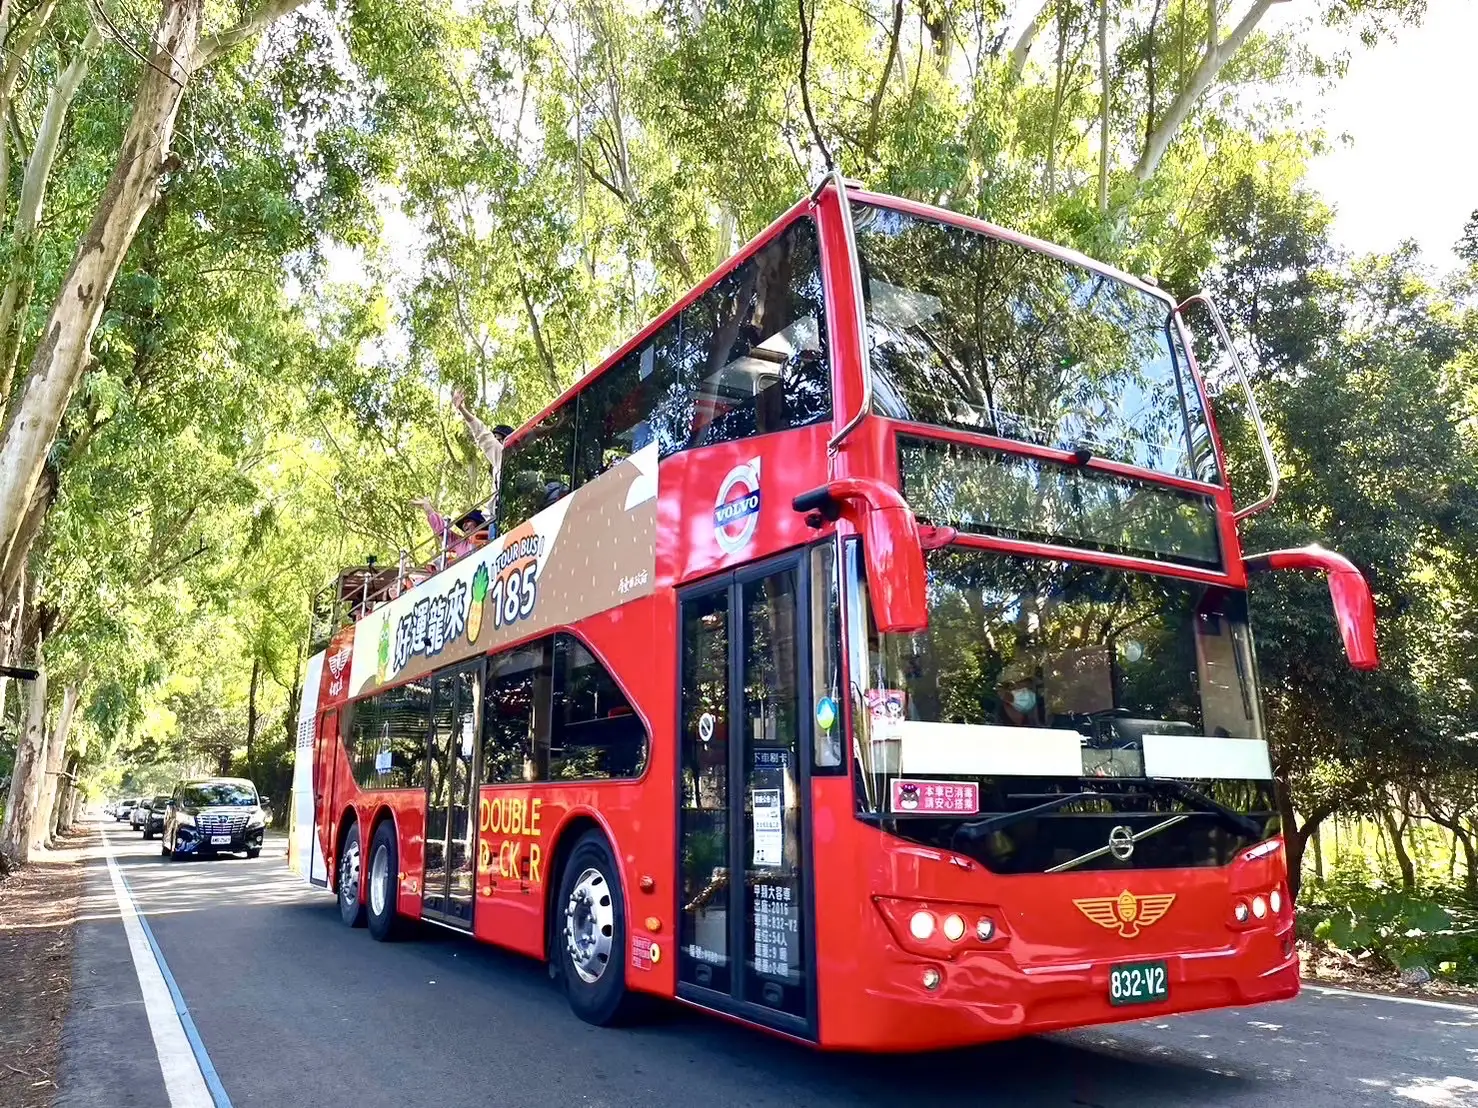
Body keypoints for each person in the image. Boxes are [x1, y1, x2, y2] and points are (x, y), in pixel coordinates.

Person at [994, 657, 1042, 727]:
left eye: (1029, 687)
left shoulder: (1041, 718)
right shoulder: (992, 724)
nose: (1026, 692)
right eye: (1020, 686)